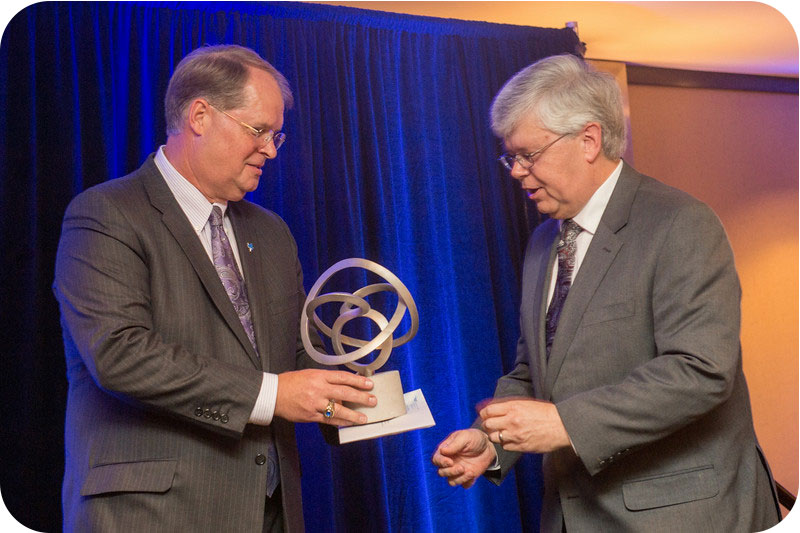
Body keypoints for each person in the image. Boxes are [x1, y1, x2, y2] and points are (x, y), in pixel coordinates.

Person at [432, 54, 780, 532]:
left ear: (589, 140)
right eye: (509, 157)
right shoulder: (543, 241)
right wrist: (491, 441)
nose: (514, 171)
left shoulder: (680, 223)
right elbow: (534, 373)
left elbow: (701, 371)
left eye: (527, 155)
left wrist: (565, 423)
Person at [53, 44, 376, 532]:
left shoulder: (270, 232)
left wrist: (353, 398)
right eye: (258, 130)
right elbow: (119, 355)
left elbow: (292, 358)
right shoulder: (106, 214)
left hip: (269, 512)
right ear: (200, 116)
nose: (270, 149)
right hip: (151, 515)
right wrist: (273, 395)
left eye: (276, 135)